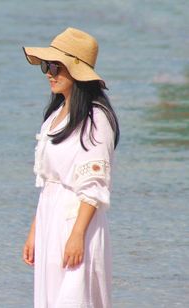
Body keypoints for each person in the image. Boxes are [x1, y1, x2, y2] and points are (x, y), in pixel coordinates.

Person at [21, 27, 120, 308]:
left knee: (75, 299)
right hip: (50, 217)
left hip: (77, 220)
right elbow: (47, 181)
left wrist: (78, 235)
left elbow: (94, 185)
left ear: (76, 71)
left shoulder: (95, 119)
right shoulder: (54, 116)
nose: (49, 73)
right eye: (46, 66)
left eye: (56, 66)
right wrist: (34, 230)